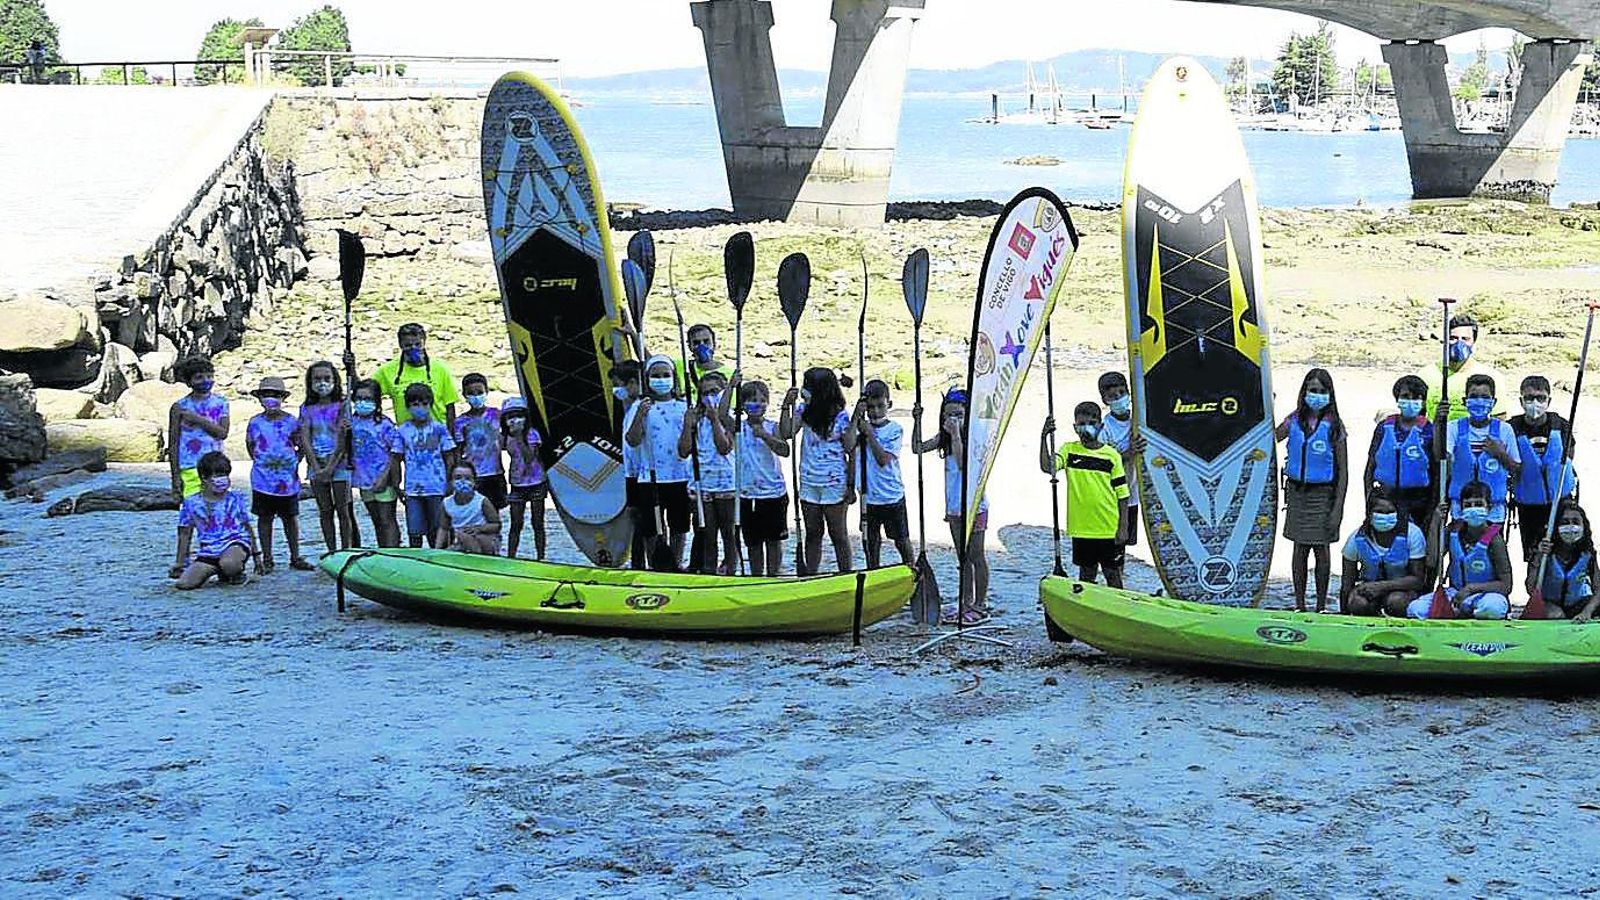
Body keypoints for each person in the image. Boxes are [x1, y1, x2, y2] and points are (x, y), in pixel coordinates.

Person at [1274, 368, 1348, 613]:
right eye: (1312, 390)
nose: (1316, 395)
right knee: (1299, 548)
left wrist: (1337, 509)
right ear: (1304, 392)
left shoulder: (1335, 426)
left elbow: (1343, 471)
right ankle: (1299, 604)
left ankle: (1320, 605)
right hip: (1297, 492)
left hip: (1323, 494)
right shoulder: (1294, 419)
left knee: (1321, 549)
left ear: (1330, 395)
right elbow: (1272, 436)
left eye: (1322, 391)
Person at [917, 388, 989, 625]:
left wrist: (957, 435)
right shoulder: (945, 438)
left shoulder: (974, 438)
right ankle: (965, 600)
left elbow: (962, 464)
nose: (953, 420)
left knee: (976, 555)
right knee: (962, 557)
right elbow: (918, 447)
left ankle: (980, 603)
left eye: (958, 415)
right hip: (955, 507)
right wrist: (918, 419)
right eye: (949, 416)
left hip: (974, 506)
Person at [1040, 401, 1131, 587]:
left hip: (1108, 528)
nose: (1086, 428)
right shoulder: (1069, 451)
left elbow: (1122, 494)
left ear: (1101, 425)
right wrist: (1044, 438)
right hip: (1082, 529)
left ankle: (1117, 611)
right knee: (1087, 575)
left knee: (1112, 574)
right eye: (1081, 424)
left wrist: (1123, 527)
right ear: (1075, 427)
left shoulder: (1111, 456)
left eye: (1091, 423)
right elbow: (1047, 467)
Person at [786, 367, 857, 575]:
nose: (804, 390)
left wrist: (851, 486)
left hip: (834, 482)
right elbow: (787, 432)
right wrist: (787, 407)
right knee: (813, 532)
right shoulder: (803, 410)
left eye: (808, 385)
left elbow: (851, 449)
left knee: (838, 534)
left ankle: (846, 573)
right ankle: (811, 573)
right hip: (809, 480)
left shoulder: (841, 416)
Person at [1408, 481, 1513, 619]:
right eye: (1468, 505)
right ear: (1461, 508)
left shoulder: (1495, 539)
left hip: (1485, 595)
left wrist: (1471, 589)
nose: (1473, 509)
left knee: (1492, 608)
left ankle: (1464, 612)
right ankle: (1460, 611)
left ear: (1489, 507)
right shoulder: (1453, 531)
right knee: (1415, 609)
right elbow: (1432, 561)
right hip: (1455, 593)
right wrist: (1436, 521)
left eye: (1479, 504)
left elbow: (1506, 585)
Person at [625, 355, 692, 570]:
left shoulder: (683, 407)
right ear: (647, 379)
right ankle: (655, 563)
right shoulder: (641, 406)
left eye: (666, 375)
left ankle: (676, 561)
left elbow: (686, 448)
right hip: (650, 476)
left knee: (679, 525)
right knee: (651, 527)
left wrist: (690, 423)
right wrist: (640, 415)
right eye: (656, 376)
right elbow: (632, 440)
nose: (661, 380)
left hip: (679, 475)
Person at [245, 376, 311, 573]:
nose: (270, 399)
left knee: (290, 518)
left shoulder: (292, 422)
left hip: (287, 481)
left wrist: (294, 460)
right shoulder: (255, 422)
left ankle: (295, 556)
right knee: (264, 519)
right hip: (262, 481)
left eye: (275, 395)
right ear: (259, 398)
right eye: (266, 395)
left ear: (283, 398)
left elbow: (301, 444)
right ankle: (267, 557)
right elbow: (250, 445)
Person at [170, 452, 262, 589]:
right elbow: (184, 534)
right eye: (218, 475)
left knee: (230, 564)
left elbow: (247, 526)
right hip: (209, 549)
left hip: (235, 542)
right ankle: (217, 569)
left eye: (225, 474)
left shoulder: (235, 499)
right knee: (184, 584)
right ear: (204, 478)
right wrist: (180, 563)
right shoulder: (191, 503)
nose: (223, 479)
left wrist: (256, 555)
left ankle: (234, 571)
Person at [1509, 375, 1574, 562]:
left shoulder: (1561, 425)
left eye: (1540, 398)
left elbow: (1569, 454)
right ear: (1521, 401)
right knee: (1534, 556)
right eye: (1529, 398)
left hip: (1560, 502)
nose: (1535, 403)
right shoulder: (1512, 427)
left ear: (1549, 400)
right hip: (1528, 506)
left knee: (1563, 553)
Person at [1442, 373, 1520, 527]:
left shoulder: (1505, 430)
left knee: (1492, 547)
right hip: (1462, 507)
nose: (1479, 401)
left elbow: (1516, 469)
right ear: (1465, 401)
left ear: (1493, 402)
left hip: (1494, 509)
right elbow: (1443, 458)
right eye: (1474, 396)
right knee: (1460, 548)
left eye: (1485, 397)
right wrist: (1439, 423)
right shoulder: (1453, 428)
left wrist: (1500, 454)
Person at [351, 322, 460, 431]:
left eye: (418, 344)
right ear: (400, 345)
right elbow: (363, 390)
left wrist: (451, 436)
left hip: (437, 436)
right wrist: (351, 369)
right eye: (407, 346)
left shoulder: (440, 369)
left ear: (424, 341)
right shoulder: (388, 371)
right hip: (406, 437)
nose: (413, 348)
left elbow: (450, 407)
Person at [679, 370, 737, 574]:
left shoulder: (729, 419)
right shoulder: (695, 418)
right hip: (701, 481)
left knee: (728, 531)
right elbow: (683, 450)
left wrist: (715, 421)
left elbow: (724, 447)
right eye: (705, 393)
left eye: (714, 391)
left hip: (725, 481)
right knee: (706, 530)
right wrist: (688, 425)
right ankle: (708, 569)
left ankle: (731, 568)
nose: (709, 396)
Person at [1364, 375, 1436, 536]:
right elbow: (1370, 466)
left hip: (1418, 502)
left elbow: (1436, 472)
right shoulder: (1384, 427)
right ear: (1397, 399)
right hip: (1386, 499)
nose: (1410, 401)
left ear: (1424, 401)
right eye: (1405, 397)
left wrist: (1432, 511)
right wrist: (1368, 497)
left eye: (1416, 397)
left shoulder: (1430, 431)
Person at [1339, 488, 1429, 617]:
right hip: (1368, 588)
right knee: (1358, 602)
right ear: (1369, 514)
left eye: (1390, 512)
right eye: (1379, 512)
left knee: (1396, 602)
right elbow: (1347, 582)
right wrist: (1344, 614)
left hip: (1402, 590)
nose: (1385, 516)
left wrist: (1382, 586)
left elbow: (1418, 580)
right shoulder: (1355, 539)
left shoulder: (1413, 534)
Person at [734, 377, 790, 576]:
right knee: (753, 541)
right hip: (747, 494)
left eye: (761, 400)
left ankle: (773, 574)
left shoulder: (772, 427)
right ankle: (756, 575)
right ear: (742, 404)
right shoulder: (737, 427)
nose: (756, 404)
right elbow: (721, 415)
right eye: (751, 400)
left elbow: (785, 450)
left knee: (774, 540)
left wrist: (765, 436)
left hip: (773, 492)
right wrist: (732, 386)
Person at [299, 360, 357, 553]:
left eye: (326, 378)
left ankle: (346, 549)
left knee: (343, 510)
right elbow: (305, 438)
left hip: (339, 463)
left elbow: (343, 438)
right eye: (317, 379)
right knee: (325, 510)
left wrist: (331, 466)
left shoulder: (342, 405)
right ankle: (331, 550)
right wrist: (315, 466)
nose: (322, 383)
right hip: (316, 463)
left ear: (334, 380)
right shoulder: (306, 408)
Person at [856, 379, 914, 569]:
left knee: (901, 540)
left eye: (880, 406)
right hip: (868, 496)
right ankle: (873, 572)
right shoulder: (860, 427)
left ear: (888, 404)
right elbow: (849, 449)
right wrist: (857, 417)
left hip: (891, 495)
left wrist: (870, 435)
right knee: (871, 542)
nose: (876, 411)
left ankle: (911, 568)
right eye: (871, 407)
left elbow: (883, 459)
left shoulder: (895, 429)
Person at [1415, 311, 1511, 421]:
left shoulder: (1491, 376)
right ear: (1445, 340)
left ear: (1474, 341)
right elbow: (1418, 416)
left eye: (1465, 339)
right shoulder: (1426, 374)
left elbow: (1499, 417)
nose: (1459, 344)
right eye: (1453, 338)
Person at [394, 382, 457, 548]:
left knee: (438, 529)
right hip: (413, 488)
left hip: (437, 487)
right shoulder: (402, 431)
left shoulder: (439, 429)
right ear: (408, 407)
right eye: (415, 404)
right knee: (414, 531)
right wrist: (397, 485)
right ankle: (417, 562)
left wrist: (450, 482)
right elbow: (396, 459)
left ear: (430, 404)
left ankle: (440, 560)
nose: (420, 407)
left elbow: (449, 457)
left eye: (424, 403)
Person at [167, 354, 230, 501]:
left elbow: (222, 433)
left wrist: (197, 419)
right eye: (199, 377)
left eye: (209, 376)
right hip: (189, 466)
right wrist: (175, 476)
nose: (206, 381)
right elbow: (173, 443)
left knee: (217, 509)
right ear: (189, 382)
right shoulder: (179, 407)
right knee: (192, 509)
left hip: (216, 467)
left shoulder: (221, 403)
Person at [349, 378, 402, 548]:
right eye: (359, 398)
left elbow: (394, 454)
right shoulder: (351, 422)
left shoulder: (384, 424)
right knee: (376, 520)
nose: (363, 402)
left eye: (368, 399)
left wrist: (385, 478)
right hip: (364, 480)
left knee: (387, 519)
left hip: (383, 479)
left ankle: (393, 551)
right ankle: (382, 551)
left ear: (377, 401)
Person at [1527, 499, 1599, 622]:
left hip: (1578, 603)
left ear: (1583, 526)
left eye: (1575, 522)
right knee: (1556, 615)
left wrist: (1587, 612)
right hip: (1549, 604)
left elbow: (1598, 589)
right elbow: (1531, 589)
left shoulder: (1588, 554)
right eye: (1565, 522)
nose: (1570, 526)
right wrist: (1538, 557)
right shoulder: (1544, 552)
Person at [613, 360, 653, 569]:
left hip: (641, 473)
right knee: (635, 518)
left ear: (630, 383)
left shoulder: (641, 407)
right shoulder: (630, 408)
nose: (616, 390)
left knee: (643, 521)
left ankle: (643, 563)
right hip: (631, 473)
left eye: (618, 384)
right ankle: (638, 561)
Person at [1095, 371, 1142, 548]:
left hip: (1133, 495)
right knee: (1113, 544)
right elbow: (1102, 463)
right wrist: (1127, 454)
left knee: (1125, 543)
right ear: (1105, 400)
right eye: (1112, 396)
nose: (1119, 398)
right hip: (1112, 498)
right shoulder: (1105, 429)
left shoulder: (1138, 420)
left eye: (1122, 393)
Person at [501, 397, 548, 560]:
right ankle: (511, 556)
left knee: (538, 523)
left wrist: (520, 438)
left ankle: (541, 557)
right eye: (510, 417)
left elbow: (529, 458)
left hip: (536, 482)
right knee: (515, 523)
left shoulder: (532, 434)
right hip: (517, 484)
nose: (514, 420)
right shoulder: (506, 437)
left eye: (518, 416)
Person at [454, 373, 507, 511]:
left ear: (486, 392)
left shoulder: (497, 415)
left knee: (494, 512)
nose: (475, 396)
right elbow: (459, 450)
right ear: (465, 395)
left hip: (495, 472)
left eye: (479, 392)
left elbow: (507, 438)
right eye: (471, 393)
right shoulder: (461, 422)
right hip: (474, 475)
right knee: (475, 512)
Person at [439, 461, 503, 555]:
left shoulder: (481, 501)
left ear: (474, 482)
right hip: (463, 540)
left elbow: (496, 525)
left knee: (465, 536)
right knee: (461, 538)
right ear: (451, 481)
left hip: (485, 538)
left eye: (468, 478)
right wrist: (437, 549)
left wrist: (478, 529)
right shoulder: (447, 503)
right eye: (458, 478)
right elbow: (443, 528)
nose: (463, 481)